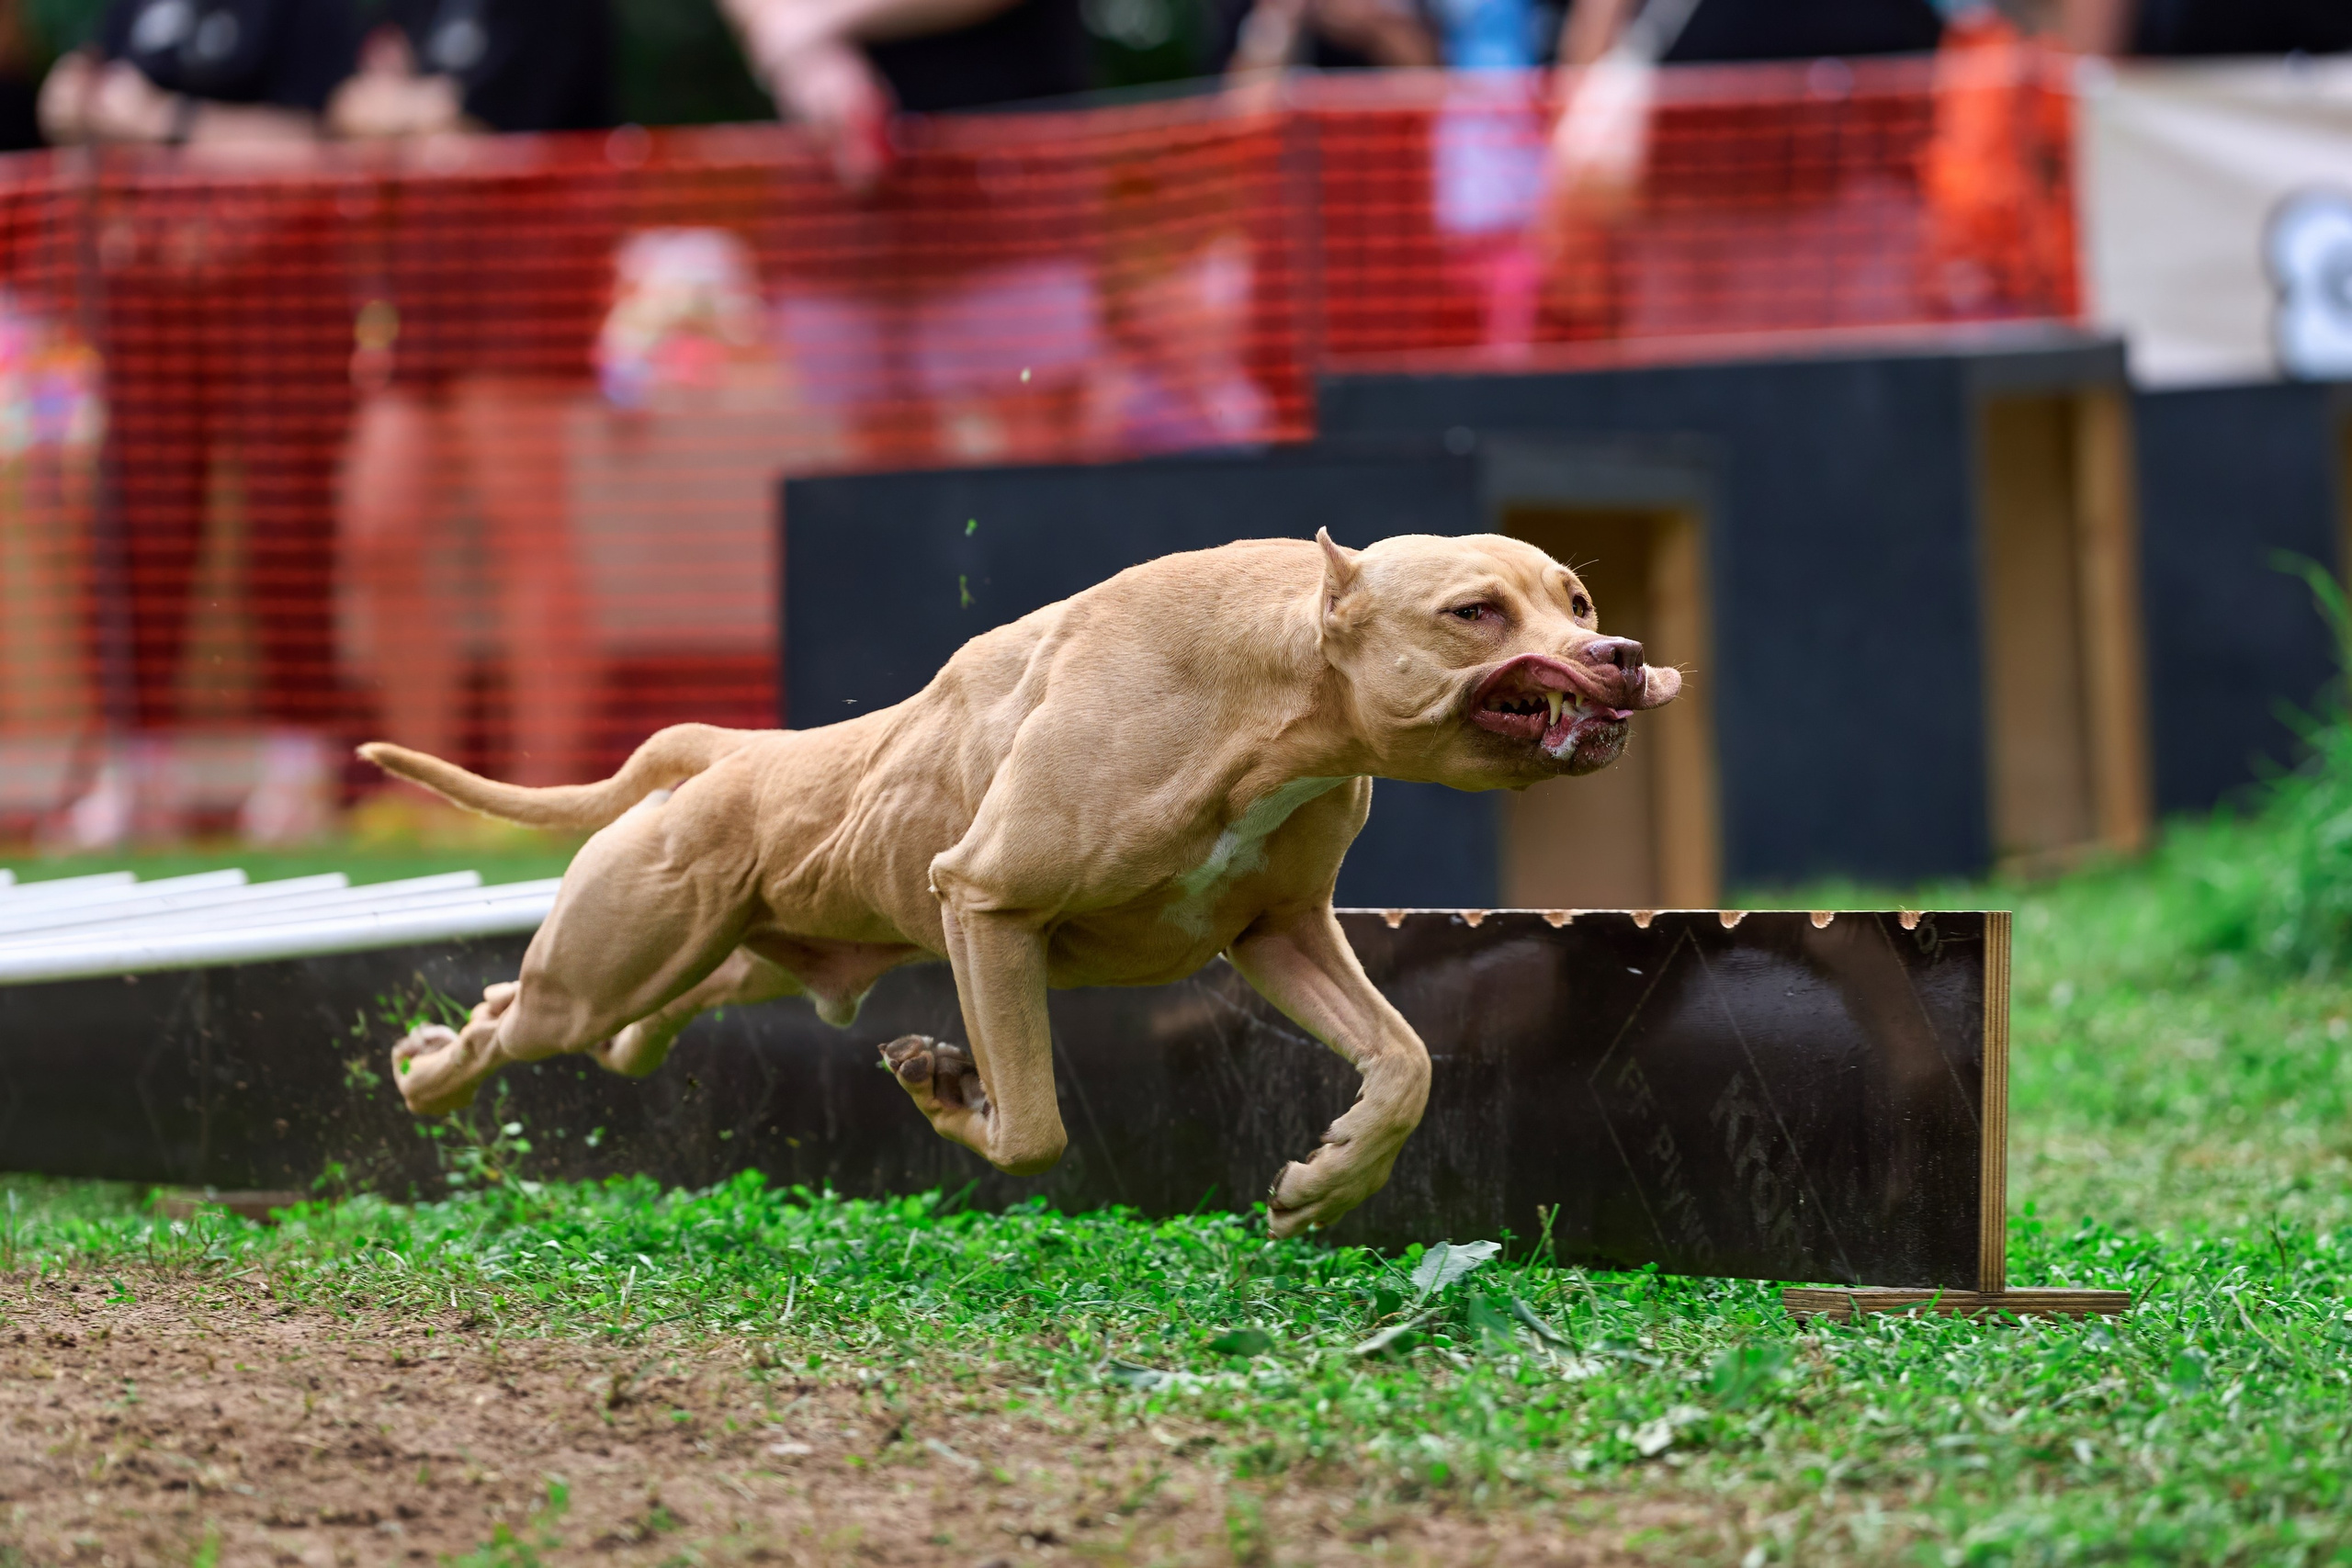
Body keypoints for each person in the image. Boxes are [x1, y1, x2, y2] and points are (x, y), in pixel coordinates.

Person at [38, 0, 358, 844]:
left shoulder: (308, 17)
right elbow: (90, 96)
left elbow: (310, 145)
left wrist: (165, 123)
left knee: (286, 524)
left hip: (280, 292)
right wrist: (72, 103)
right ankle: (138, 774)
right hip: (151, 293)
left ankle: (298, 772)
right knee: (140, 523)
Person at [329, 1, 615, 795]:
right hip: (421, 285)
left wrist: (394, 115)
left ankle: (543, 791)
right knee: (379, 528)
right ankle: (427, 790)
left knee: (523, 530)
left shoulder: (550, 21)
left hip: (524, 279)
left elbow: (479, 129)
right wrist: (412, 119)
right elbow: (344, 108)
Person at [718, 0, 1102, 468]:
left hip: (1008, 171)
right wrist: (796, 50)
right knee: (886, 472)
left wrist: (812, 23)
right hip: (841, 182)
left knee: (1040, 462)